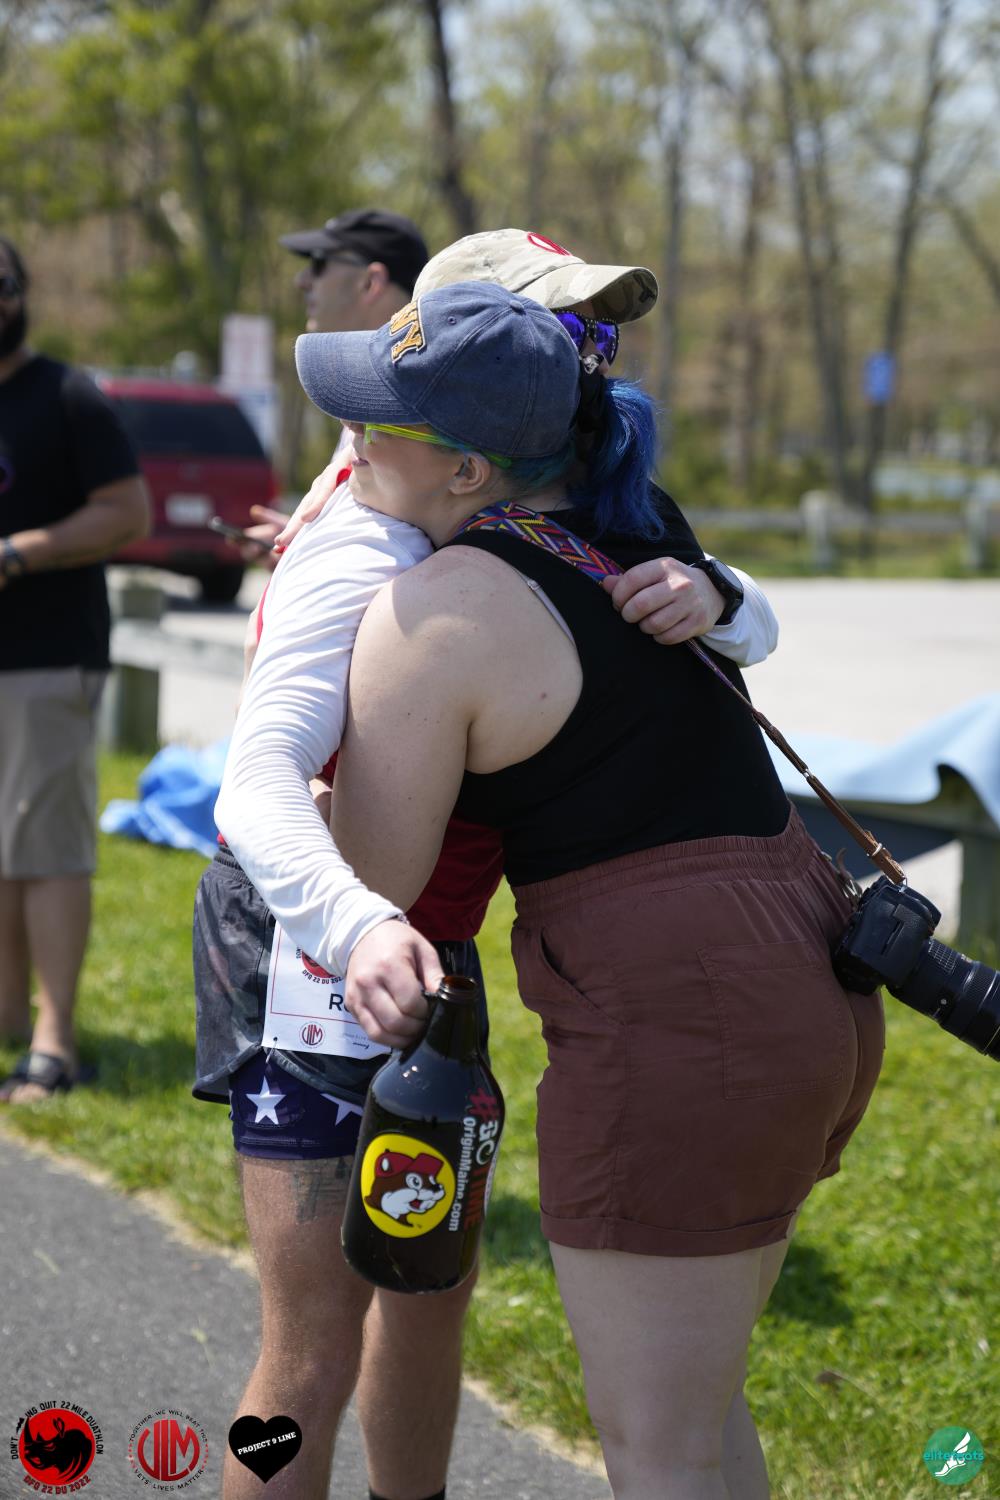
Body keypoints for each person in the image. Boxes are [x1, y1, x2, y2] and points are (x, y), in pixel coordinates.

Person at [204, 228, 783, 1500]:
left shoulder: (564, 496)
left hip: (421, 943)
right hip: (314, 936)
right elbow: (256, 783)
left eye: (590, 337)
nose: (590, 360)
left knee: (427, 1295)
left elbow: (716, 608)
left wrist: (724, 600)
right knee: (311, 1348)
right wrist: (354, 923)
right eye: (567, 330)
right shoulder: (369, 540)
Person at [0, 236, 150, 1104]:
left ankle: (53, 1042)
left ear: (17, 294)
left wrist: (17, 553)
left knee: (47, 848)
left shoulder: (66, 396)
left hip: (47, 657)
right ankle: (8, 1018)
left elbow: (129, 511)